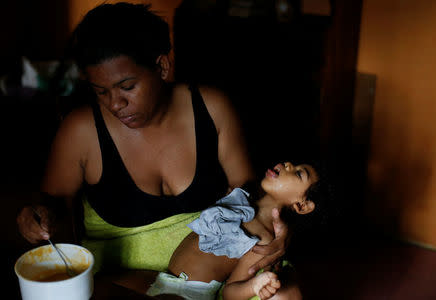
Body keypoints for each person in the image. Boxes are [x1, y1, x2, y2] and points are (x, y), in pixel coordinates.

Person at [16, 1, 289, 291]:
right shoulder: (82, 130)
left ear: (161, 66)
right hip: (121, 281)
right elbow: (53, 205)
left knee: (284, 293)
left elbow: (249, 193)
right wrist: (38, 217)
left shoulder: (212, 109)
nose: (115, 104)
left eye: (127, 86)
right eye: (101, 92)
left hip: (215, 267)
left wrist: (283, 232)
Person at [147, 161, 320, 300]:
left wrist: (253, 286)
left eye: (298, 173)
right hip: (160, 282)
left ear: (302, 205)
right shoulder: (241, 198)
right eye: (291, 164)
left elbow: (230, 293)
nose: (287, 164)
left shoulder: (264, 241)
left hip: (190, 293)